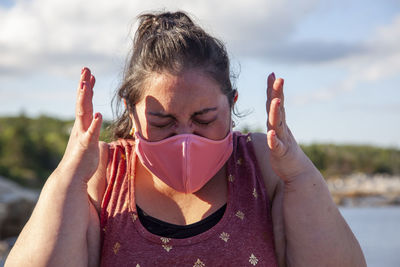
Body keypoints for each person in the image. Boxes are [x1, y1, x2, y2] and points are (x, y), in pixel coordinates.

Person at [5, 11, 366, 267]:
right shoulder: (103, 172)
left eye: (203, 119)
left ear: (232, 104)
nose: (185, 140)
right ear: (132, 115)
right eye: (162, 122)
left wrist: (299, 174)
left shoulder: (262, 163)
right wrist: (69, 176)